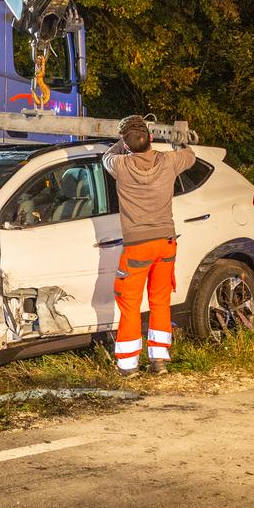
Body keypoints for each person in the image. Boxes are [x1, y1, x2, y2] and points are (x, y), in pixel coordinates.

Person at [101, 115, 195, 376]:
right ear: (151, 138)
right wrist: (179, 140)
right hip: (166, 244)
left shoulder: (119, 164)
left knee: (130, 305)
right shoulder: (169, 161)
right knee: (160, 301)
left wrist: (123, 142)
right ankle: (159, 361)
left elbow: (106, 156)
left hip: (137, 247)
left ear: (126, 144)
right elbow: (189, 155)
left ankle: (128, 365)